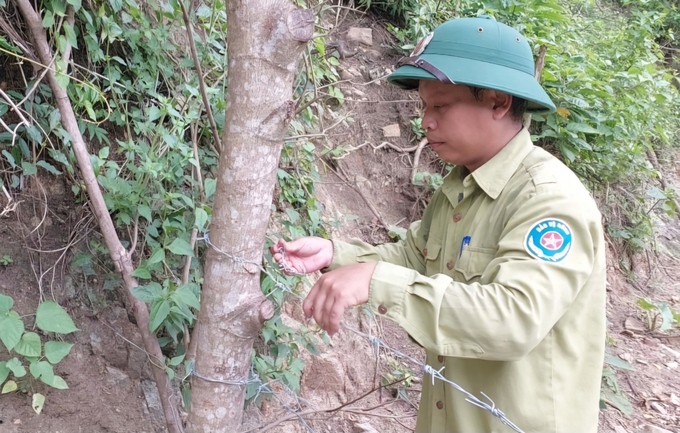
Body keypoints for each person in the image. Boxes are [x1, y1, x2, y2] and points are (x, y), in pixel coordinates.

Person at [271, 16, 605, 433]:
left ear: (499, 101)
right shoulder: (462, 184)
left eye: (441, 106)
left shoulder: (548, 199)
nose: (426, 121)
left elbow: (515, 319)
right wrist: (337, 255)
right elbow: (417, 256)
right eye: (425, 107)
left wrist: (377, 281)